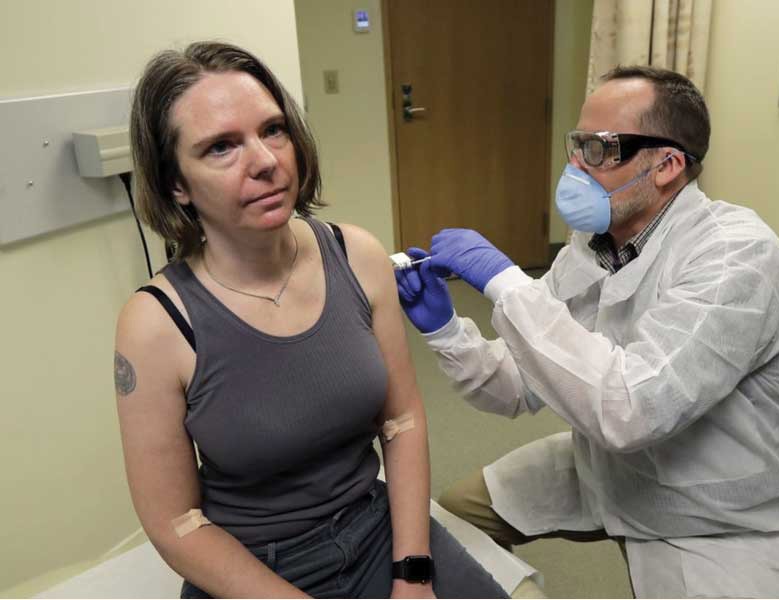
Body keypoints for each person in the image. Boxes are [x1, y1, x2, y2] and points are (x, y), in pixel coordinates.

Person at [395, 65, 779, 598]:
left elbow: (632, 408)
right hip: (613, 468)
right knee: (459, 519)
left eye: (600, 148)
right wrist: (446, 330)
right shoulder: (592, 246)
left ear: (667, 165)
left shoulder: (736, 255)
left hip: (723, 513)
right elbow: (515, 386)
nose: (575, 164)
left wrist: (509, 285)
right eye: (577, 145)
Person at [114, 41, 507, 599]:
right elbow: (176, 525)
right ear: (176, 183)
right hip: (254, 570)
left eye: (272, 130)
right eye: (222, 147)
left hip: (378, 531)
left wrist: (413, 573)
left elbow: (403, 420)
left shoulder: (358, 256)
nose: (266, 161)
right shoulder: (155, 325)